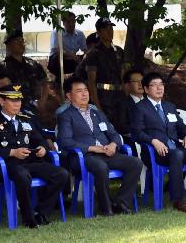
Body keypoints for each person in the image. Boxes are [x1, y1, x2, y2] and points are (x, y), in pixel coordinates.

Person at [0, 84, 70, 229]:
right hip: (8, 165)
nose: (17, 104)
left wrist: (43, 148)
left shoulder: (26, 118)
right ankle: (28, 218)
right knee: (22, 175)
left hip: (30, 162)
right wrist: (12, 152)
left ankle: (41, 212)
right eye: (12, 101)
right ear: (2, 101)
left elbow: (39, 138)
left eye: (19, 101)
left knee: (61, 174)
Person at [130, 72, 186, 212]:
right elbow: (136, 133)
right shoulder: (140, 108)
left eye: (161, 84)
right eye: (154, 85)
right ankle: (178, 200)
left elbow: (181, 126)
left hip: (175, 147)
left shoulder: (169, 106)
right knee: (177, 155)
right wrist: (153, 141)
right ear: (145, 89)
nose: (159, 88)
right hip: (156, 152)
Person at [57, 77, 142, 216]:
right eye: (79, 91)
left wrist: (113, 145)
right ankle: (106, 207)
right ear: (69, 95)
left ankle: (121, 203)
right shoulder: (66, 116)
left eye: (86, 90)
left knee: (135, 163)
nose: (84, 94)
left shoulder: (97, 113)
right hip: (83, 156)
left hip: (106, 153)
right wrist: (92, 148)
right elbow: (65, 141)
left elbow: (114, 133)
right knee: (100, 167)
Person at [0, 69, 56, 152]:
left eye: (10, 86)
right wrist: (12, 152)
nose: (9, 90)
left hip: (31, 159)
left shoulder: (23, 111)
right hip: (8, 161)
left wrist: (45, 142)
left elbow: (37, 130)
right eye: (3, 88)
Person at [0, 29, 49, 110]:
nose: (21, 44)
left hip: (32, 108)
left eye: (22, 41)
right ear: (8, 46)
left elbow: (45, 83)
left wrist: (42, 101)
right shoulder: (0, 66)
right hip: (10, 109)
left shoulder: (33, 64)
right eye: (16, 41)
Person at [84, 17, 125, 126]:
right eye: (106, 29)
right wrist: (97, 105)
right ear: (99, 32)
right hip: (103, 97)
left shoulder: (119, 51)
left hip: (119, 96)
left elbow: (123, 75)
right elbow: (91, 81)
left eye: (111, 29)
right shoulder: (94, 53)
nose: (110, 32)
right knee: (106, 128)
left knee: (121, 126)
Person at [48, 10, 86, 79]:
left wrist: (86, 57)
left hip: (73, 60)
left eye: (73, 21)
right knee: (57, 57)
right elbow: (56, 50)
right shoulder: (57, 32)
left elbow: (85, 49)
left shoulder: (80, 34)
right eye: (68, 22)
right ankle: (59, 80)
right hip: (59, 60)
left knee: (88, 58)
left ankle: (80, 79)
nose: (71, 24)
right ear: (63, 23)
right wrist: (72, 56)